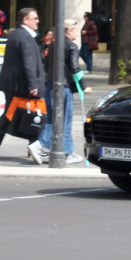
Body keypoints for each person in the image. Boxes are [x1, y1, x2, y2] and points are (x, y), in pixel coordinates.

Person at [0, 7, 43, 159]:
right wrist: (33, 84)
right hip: (21, 85)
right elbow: (29, 63)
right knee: (33, 114)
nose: (37, 21)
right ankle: (32, 145)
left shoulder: (15, 34)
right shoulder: (25, 37)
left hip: (13, 84)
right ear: (25, 20)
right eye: (34, 18)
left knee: (18, 113)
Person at [31, 21, 90, 165]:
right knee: (65, 120)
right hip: (63, 87)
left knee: (53, 119)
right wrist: (84, 87)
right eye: (76, 30)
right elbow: (75, 69)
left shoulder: (53, 45)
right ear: (69, 30)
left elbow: (47, 66)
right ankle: (63, 151)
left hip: (50, 86)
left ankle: (64, 150)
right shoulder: (71, 46)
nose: (77, 34)